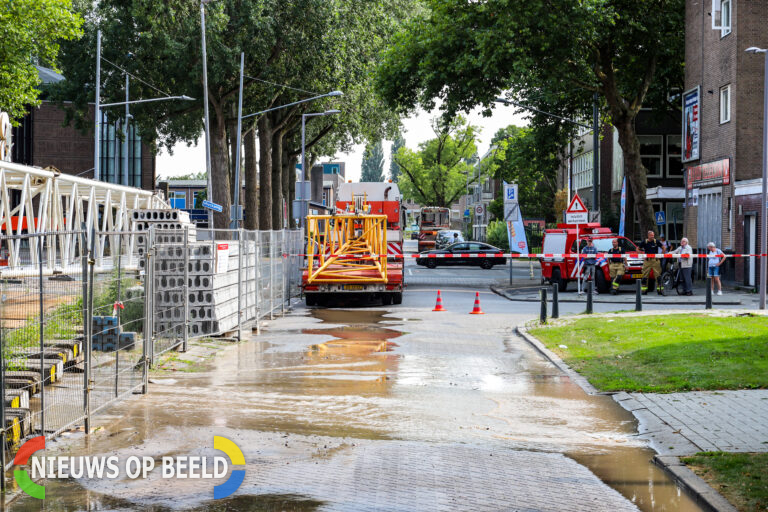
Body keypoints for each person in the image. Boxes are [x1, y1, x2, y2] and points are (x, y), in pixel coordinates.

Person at [638, 230, 664, 295]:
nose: (653, 236)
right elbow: (637, 249)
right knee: (644, 276)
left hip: (655, 261)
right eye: (651, 235)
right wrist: (642, 255)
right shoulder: (644, 242)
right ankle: (644, 290)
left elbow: (664, 248)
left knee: (658, 276)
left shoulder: (656, 241)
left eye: (653, 235)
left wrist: (660, 256)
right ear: (648, 236)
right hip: (647, 261)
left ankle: (660, 290)